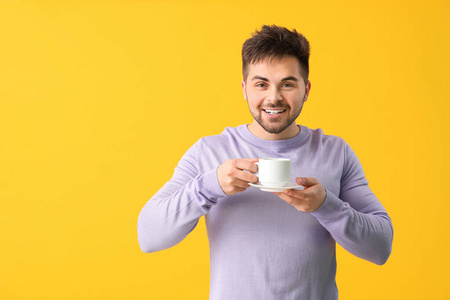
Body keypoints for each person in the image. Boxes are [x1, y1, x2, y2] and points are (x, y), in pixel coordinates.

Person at [137, 25, 393, 299]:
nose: (274, 97)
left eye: (287, 84)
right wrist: (209, 186)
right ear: (245, 89)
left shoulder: (335, 152)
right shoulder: (209, 152)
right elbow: (149, 236)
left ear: (306, 90)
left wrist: (326, 206)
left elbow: (380, 247)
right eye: (261, 84)